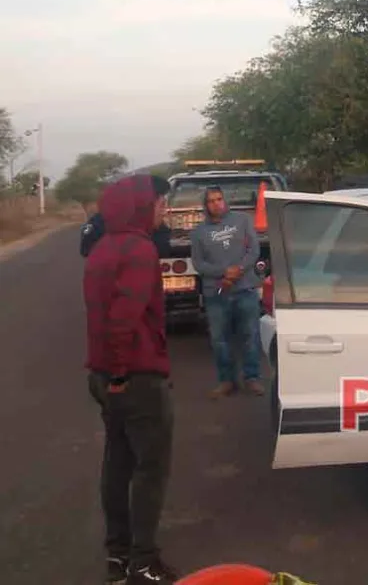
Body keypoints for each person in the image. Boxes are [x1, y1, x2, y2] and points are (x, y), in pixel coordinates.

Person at [83, 174, 178, 585]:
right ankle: (144, 562)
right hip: (135, 377)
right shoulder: (139, 249)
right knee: (150, 470)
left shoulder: (102, 247)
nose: (165, 210)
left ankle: (118, 558)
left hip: (103, 375)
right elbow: (123, 318)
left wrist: (111, 375)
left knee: (117, 465)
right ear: (143, 205)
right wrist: (123, 373)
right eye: (160, 202)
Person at [189, 185, 264, 399]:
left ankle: (252, 377)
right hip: (217, 292)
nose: (216, 203)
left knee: (250, 335)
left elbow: (254, 250)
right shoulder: (198, 232)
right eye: (211, 200)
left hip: (245, 288)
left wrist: (239, 269)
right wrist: (224, 272)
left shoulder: (242, 221)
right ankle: (226, 381)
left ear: (225, 200)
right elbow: (198, 263)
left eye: (219, 199)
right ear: (206, 205)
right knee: (219, 340)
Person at [81, 176, 173, 258]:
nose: (164, 212)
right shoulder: (101, 223)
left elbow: (165, 249)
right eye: (161, 205)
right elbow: (87, 249)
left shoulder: (155, 226)